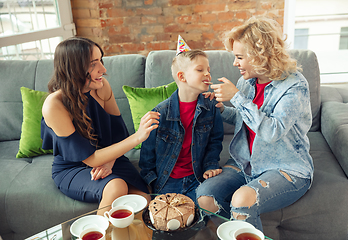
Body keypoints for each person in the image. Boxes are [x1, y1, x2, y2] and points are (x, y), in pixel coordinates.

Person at [196, 16, 314, 231]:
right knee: (205, 198)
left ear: (260, 55)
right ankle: (234, 234)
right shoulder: (246, 82)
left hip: (286, 167)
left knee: (242, 199)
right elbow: (245, 121)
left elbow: (271, 131)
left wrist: (237, 97)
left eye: (239, 57)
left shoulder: (295, 85)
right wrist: (222, 110)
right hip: (247, 163)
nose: (235, 63)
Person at [40, 37, 160, 215]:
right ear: (74, 68)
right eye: (93, 63)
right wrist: (138, 136)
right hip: (73, 167)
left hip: (109, 158)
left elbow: (117, 135)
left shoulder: (102, 87)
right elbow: (90, 159)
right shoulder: (54, 105)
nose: (103, 69)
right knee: (116, 186)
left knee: (143, 199)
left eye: (101, 60)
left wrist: (110, 162)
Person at [139, 36, 224, 204]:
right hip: (167, 180)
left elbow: (215, 141)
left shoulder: (211, 106)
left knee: (202, 215)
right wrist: (150, 184)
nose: (207, 73)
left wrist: (211, 166)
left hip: (197, 177)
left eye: (208, 69)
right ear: (182, 77)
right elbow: (147, 155)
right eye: (200, 70)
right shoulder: (160, 113)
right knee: (169, 221)